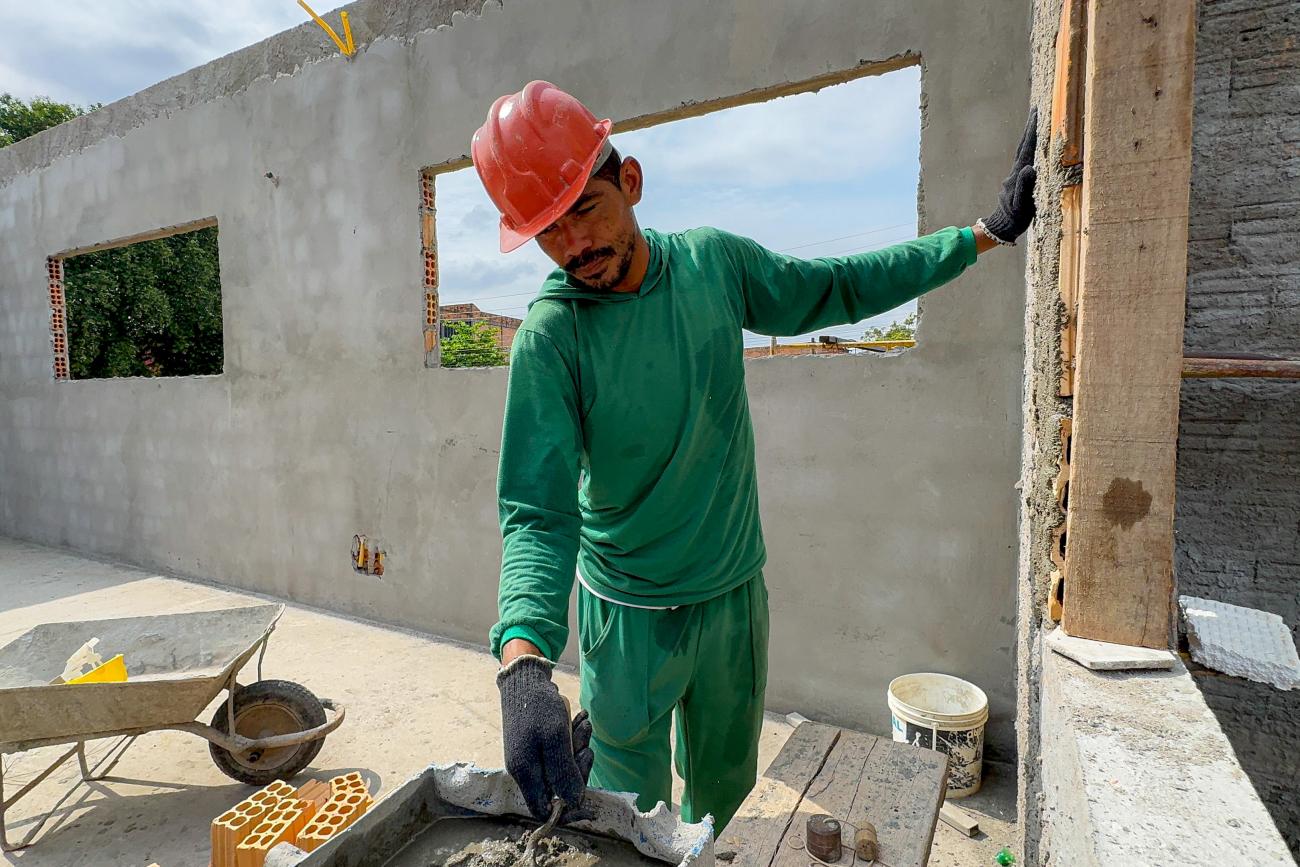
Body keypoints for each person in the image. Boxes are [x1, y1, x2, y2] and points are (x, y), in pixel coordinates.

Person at [471, 80, 1037, 833]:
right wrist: (524, 661)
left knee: (727, 816)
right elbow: (537, 513)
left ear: (629, 180)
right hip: (626, 622)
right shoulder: (552, 337)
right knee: (619, 819)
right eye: (548, 229)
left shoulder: (715, 268)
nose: (575, 245)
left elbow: (838, 286)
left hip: (731, 606)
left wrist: (979, 236)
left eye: (584, 209)